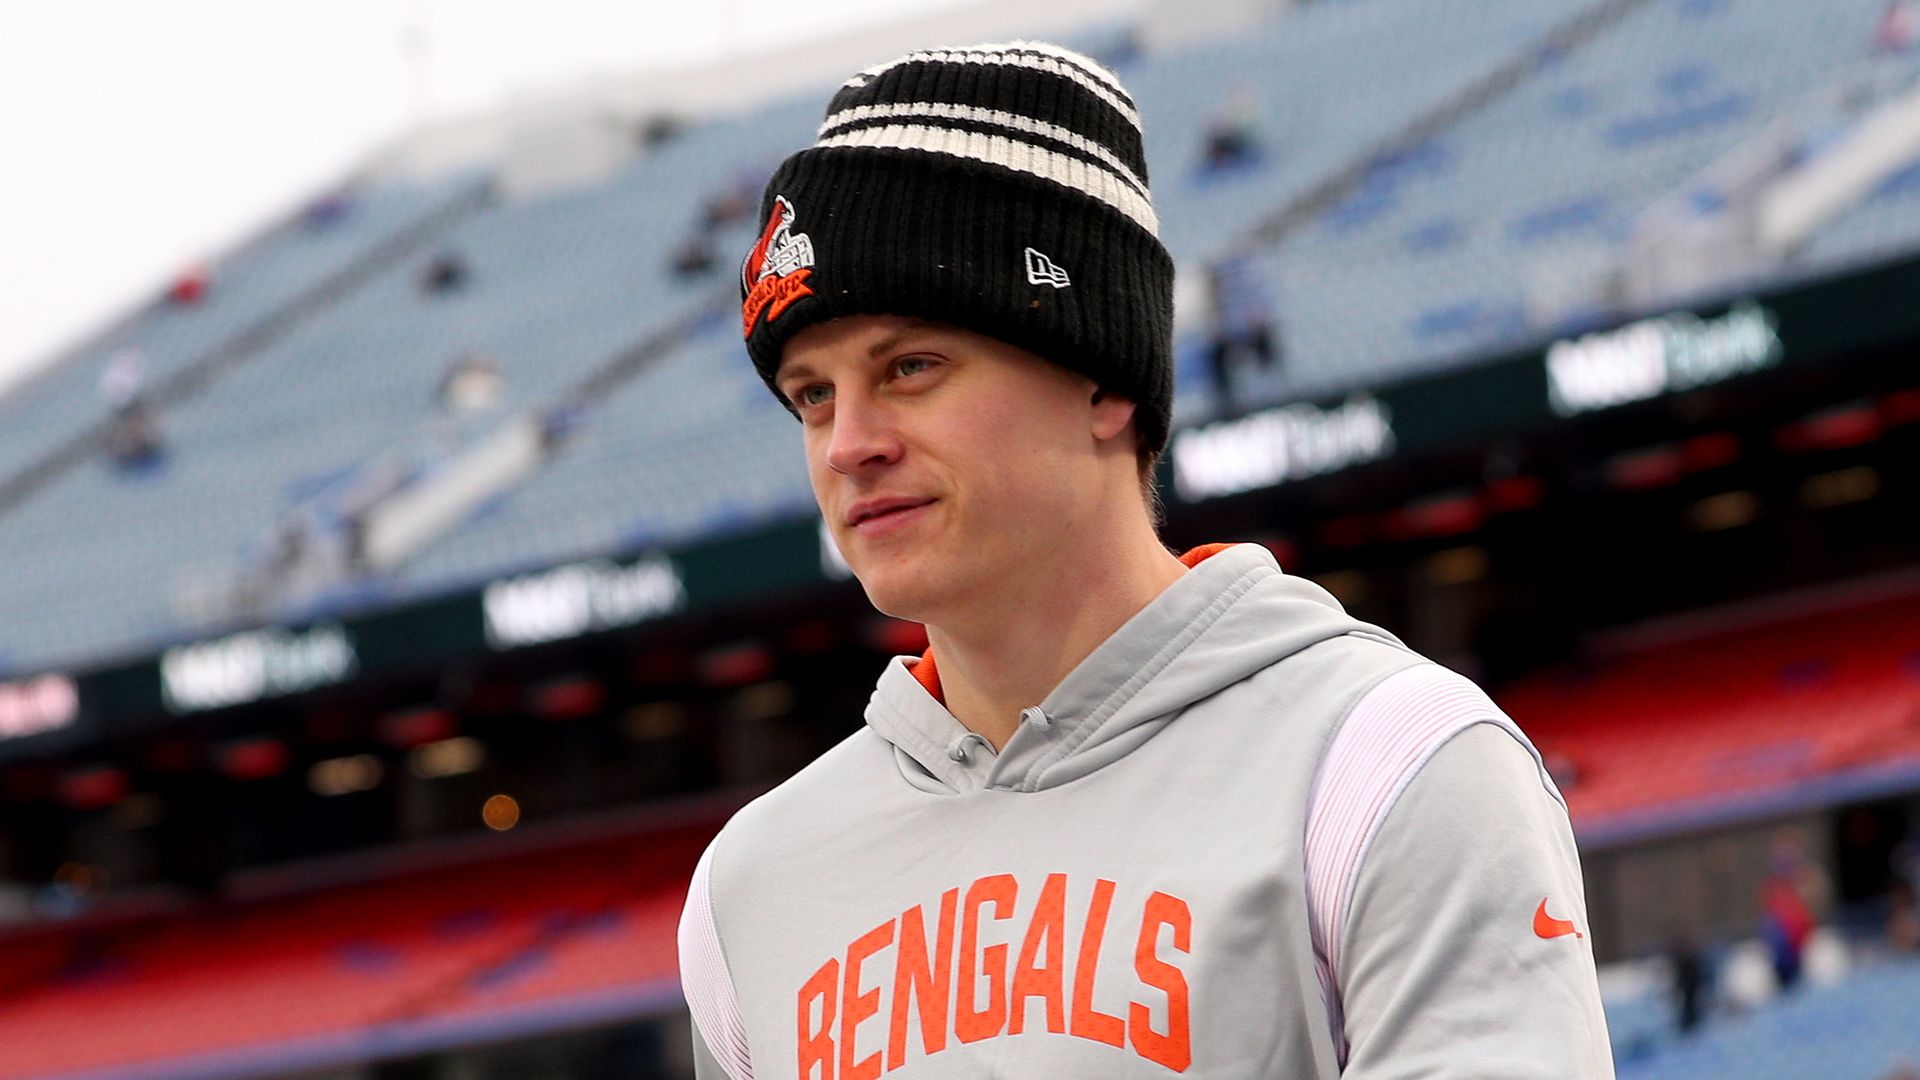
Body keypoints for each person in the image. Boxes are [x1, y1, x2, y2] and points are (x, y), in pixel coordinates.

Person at [677, 42, 1613, 1078]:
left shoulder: (1386, 763)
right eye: (812, 395)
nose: (849, 442)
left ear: (1104, 381)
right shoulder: (747, 893)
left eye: (910, 367)